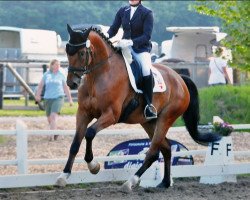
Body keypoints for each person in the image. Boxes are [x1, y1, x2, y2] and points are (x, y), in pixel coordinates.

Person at [107, 0, 157, 120]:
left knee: (145, 69)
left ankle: (149, 105)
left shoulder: (147, 13)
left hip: (140, 48)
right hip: (123, 46)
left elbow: (147, 36)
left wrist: (132, 42)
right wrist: (104, 37)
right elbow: (113, 29)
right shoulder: (122, 11)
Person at [35, 59, 73, 141]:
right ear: (52, 65)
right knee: (50, 119)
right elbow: (40, 86)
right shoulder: (46, 74)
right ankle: (56, 132)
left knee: (53, 117)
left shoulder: (61, 75)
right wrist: (37, 95)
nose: (58, 66)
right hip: (47, 98)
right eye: (56, 64)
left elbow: (66, 88)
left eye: (59, 65)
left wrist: (70, 99)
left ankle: (51, 136)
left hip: (58, 97)